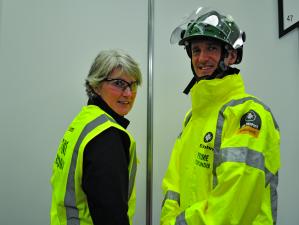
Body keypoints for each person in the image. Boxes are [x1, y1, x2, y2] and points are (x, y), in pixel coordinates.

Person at [161, 7, 280, 225]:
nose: (202, 58)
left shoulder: (248, 114)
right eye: (196, 50)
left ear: (231, 55)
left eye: (211, 49)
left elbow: (234, 201)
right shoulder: (192, 118)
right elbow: (173, 187)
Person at [50, 49, 142, 225]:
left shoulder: (84, 120)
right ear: (96, 85)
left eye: (133, 84)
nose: (128, 94)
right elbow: (110, 214)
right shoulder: (106, 136)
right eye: (119, 83)